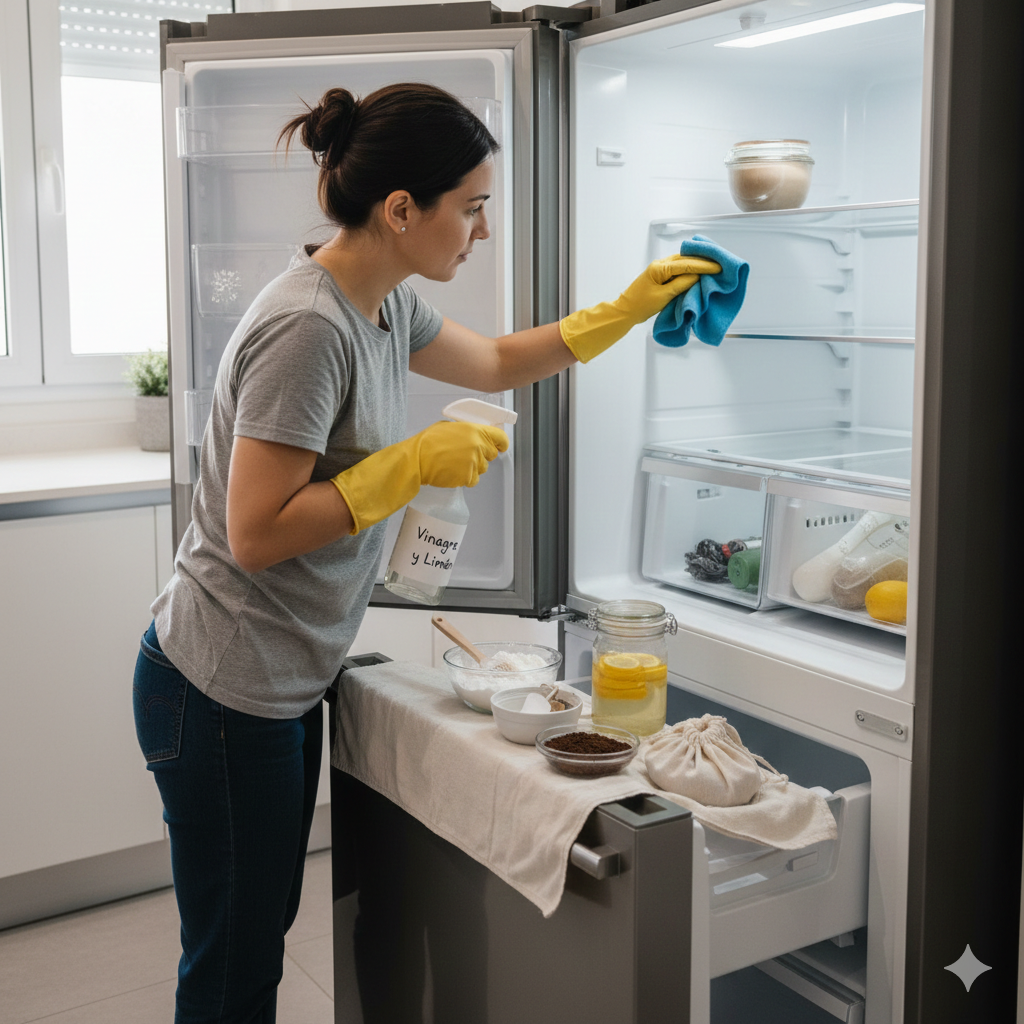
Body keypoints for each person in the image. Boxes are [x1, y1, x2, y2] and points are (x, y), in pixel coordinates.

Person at [132, 82, 718, 1023]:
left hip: (277, 683)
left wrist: (620, 313)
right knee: (235, 962)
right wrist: (406, 466)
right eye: (472, 206)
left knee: (255, 930)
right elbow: (256, 532)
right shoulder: (307, 327)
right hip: (219, 688)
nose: (480, 229)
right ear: (402, 211)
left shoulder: (380, 305)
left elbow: (490, 362)